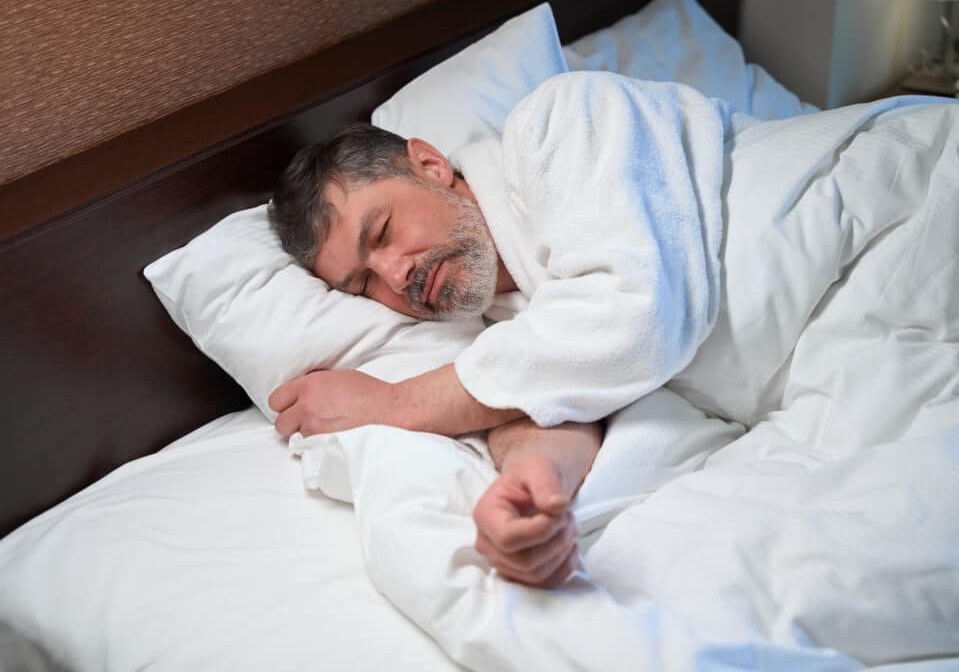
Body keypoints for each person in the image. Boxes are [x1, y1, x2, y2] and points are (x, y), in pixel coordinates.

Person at [267, 73, 725, 587]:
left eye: (382, 231)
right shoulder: (500, 323)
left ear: (430, 165)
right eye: (364, 283)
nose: (395, 275)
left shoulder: (559, 121)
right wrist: (534, 486)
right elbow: (543, 390)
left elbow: (635, 318)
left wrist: (390, 405)